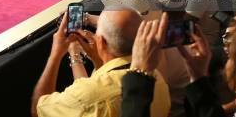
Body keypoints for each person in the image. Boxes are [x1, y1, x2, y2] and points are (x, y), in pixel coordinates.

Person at [31, 9, 171, 117]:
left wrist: (55, 54)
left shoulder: (86, 98)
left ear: (101, 42)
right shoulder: (156, 78)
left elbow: (38, 108)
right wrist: (98, 61)